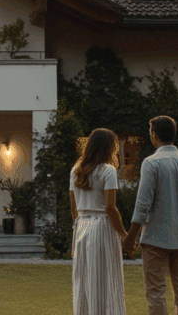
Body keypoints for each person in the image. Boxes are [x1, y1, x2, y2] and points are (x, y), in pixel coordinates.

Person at [122, 116, 178, 315]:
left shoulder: (152, 163)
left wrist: (130, 237)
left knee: (156, 293)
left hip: (156, 238)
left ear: (154, 134)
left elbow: (143, 205)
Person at [70, 128, 129, 315]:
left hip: (82, 225)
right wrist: (123, 235)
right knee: (107, 278)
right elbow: (110, 207)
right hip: (102, 226)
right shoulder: (108, 171)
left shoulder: (76, 171)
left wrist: (77, 230)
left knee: (85, 278)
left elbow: (74, 208)